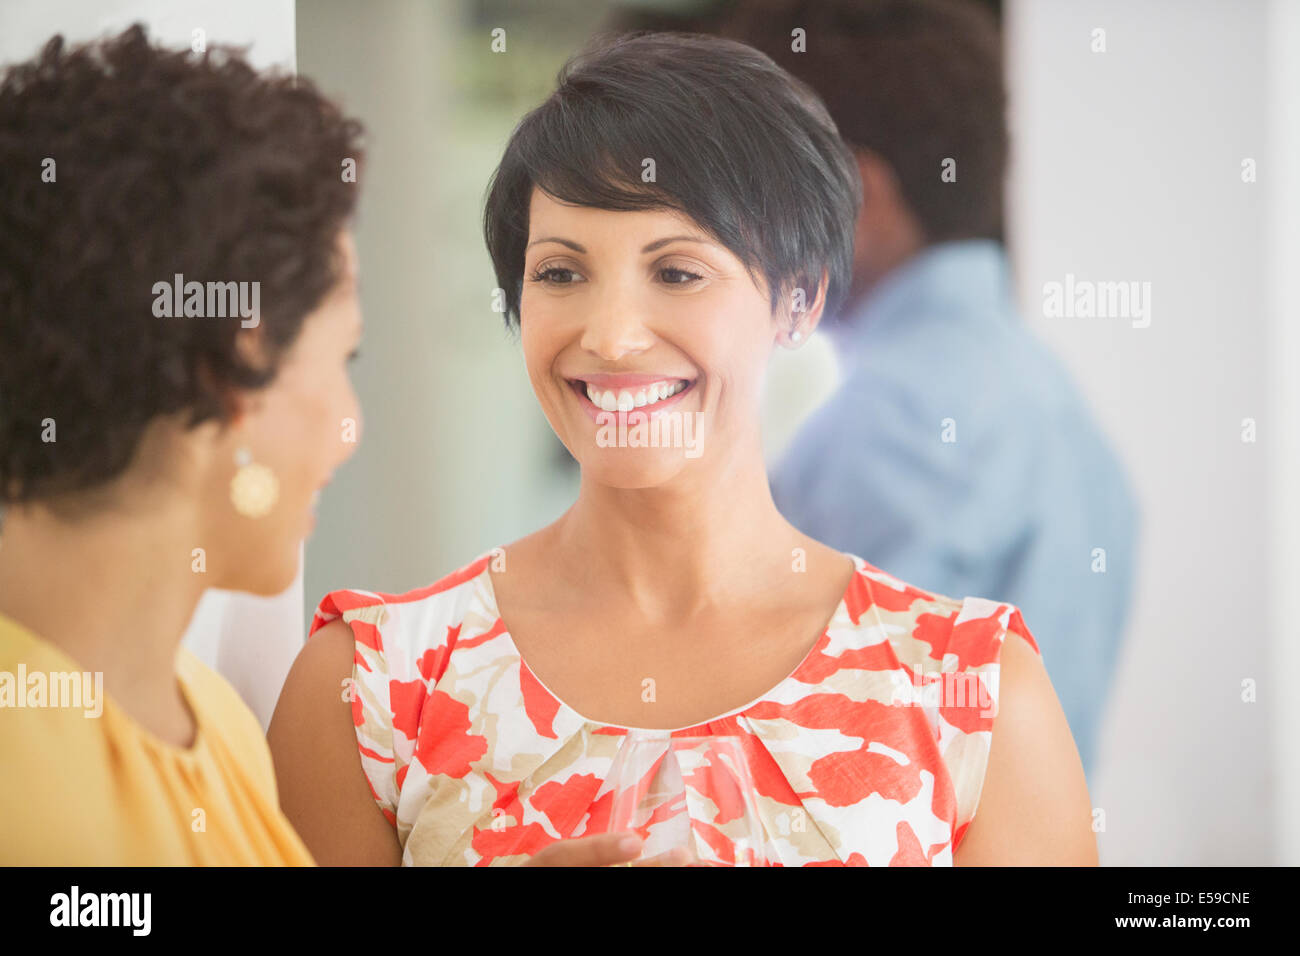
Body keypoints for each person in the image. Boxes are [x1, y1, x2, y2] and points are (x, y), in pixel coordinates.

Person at [269, 31, 1096, 866]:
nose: (612, 337)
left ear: (798, 301)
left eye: (677, 272)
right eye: (560, 273)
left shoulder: (976, 694)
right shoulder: (371, 689)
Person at [700, 0, 1139, 782]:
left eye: (755, 193)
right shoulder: (1052, 401)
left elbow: (803, 771)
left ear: (858, 200)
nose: (735, 233)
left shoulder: (886, 424)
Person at [0, 24, 366, 864]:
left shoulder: (218, 724)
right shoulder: (27, 806)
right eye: (343, 357)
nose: (352, 425)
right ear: (234, 365)